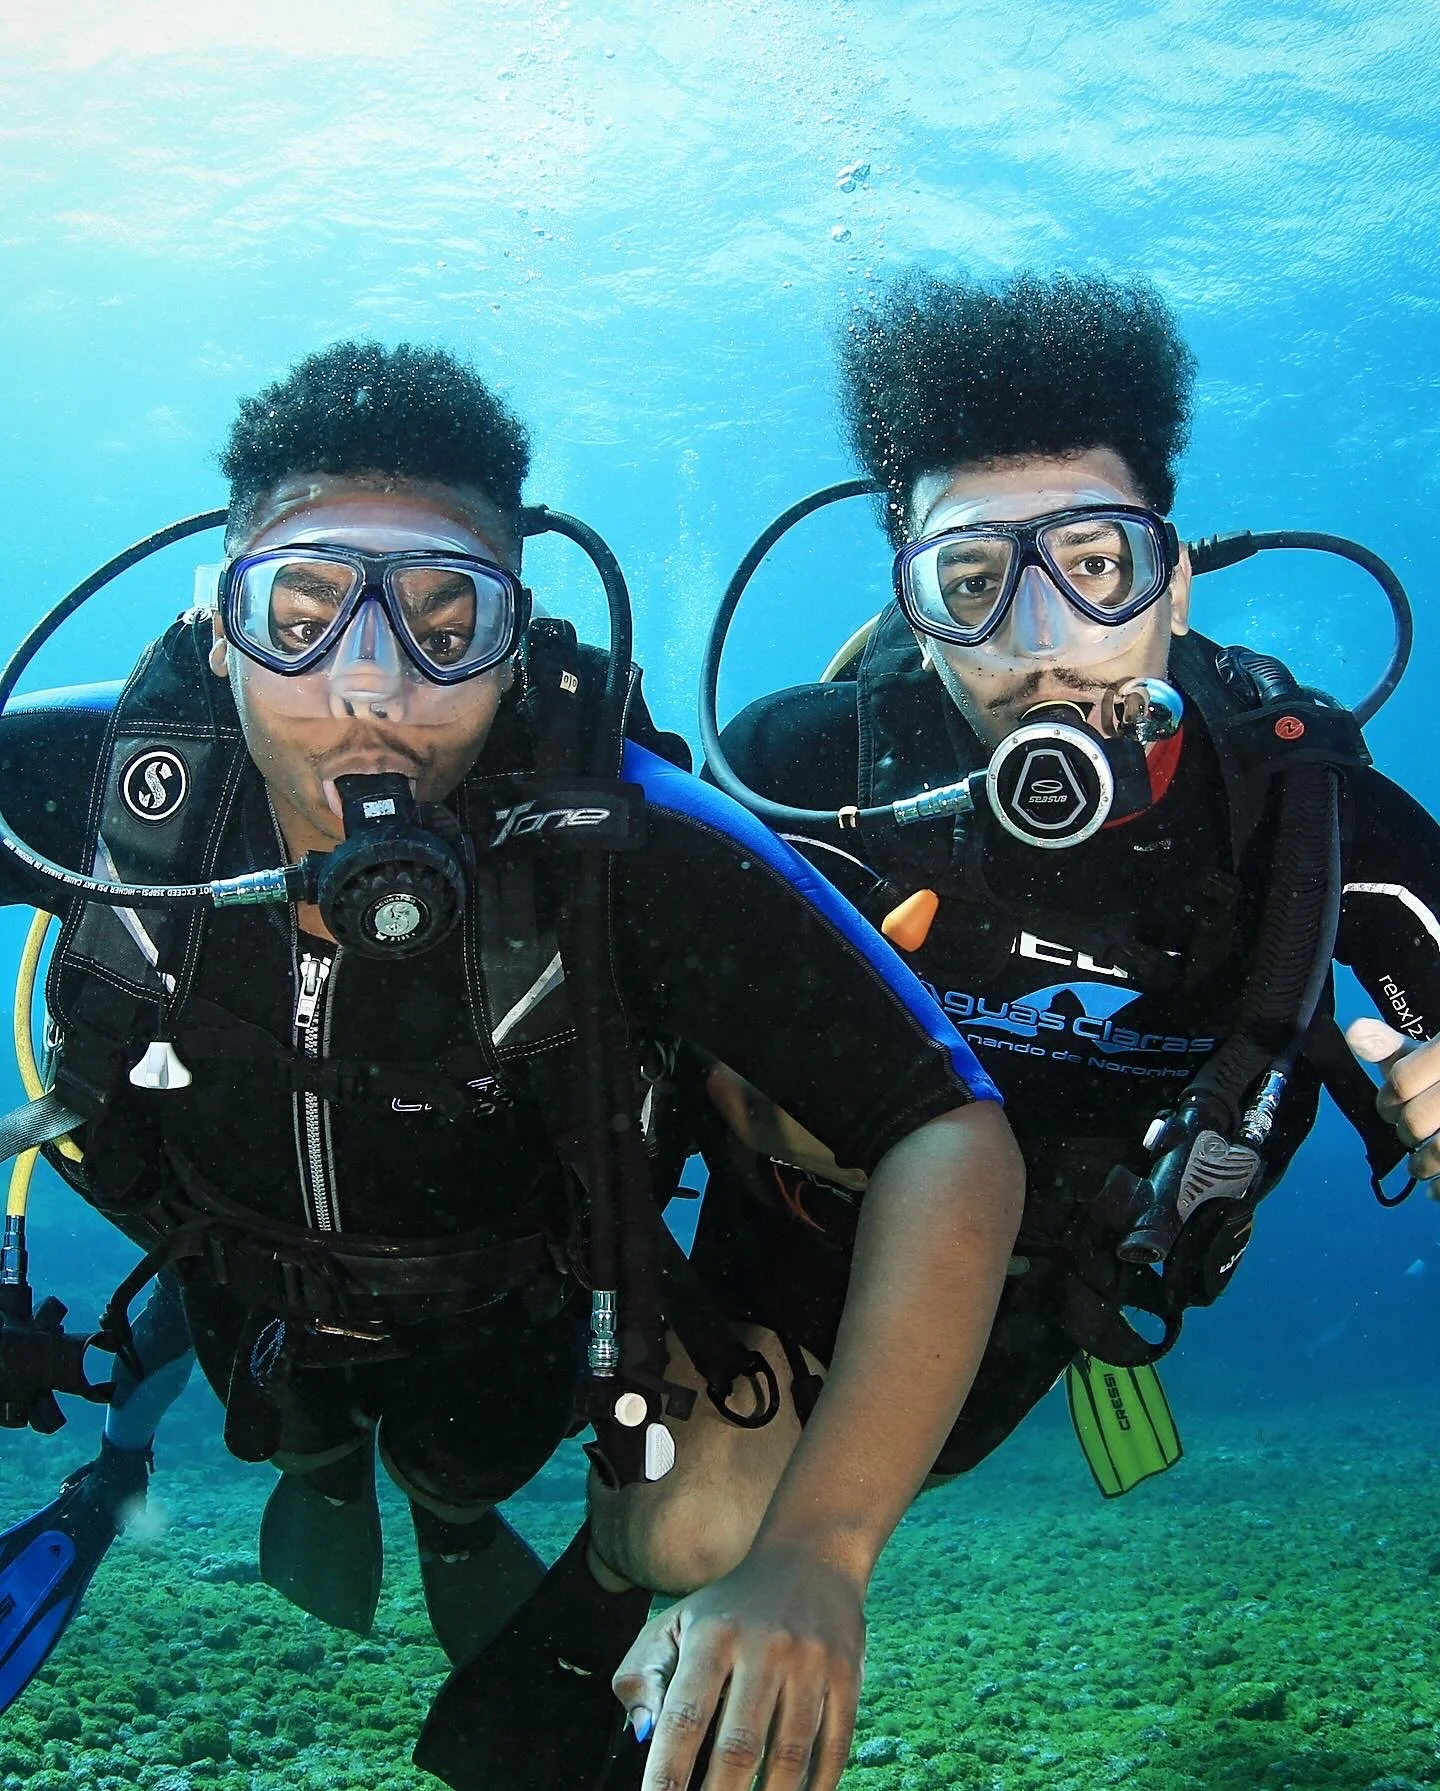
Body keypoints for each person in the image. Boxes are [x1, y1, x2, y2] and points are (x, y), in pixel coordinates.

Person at [0, 339, 1023, 1791]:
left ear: (515, 637)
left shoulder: (619, 839)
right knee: (291, 1429)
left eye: (446, 617)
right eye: (300, 610)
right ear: (219, 626)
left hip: (512, 1299)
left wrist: (821, 1550)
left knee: (465, 1467)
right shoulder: (105, 785)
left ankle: (453, 1520)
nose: (370, 688)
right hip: (225, 1262)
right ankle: (325, 1473)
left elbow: (948, 1124)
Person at [696, 267, 1440, 1523]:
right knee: (685, 1530)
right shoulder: (804, 774)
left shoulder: (1303, 810)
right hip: (797, 1254)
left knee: (916, 1465)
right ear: (914, 610)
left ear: (1176, 582)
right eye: (971, 582)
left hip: (1068, 1283)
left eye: (1097, 566)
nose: (1041, 643)